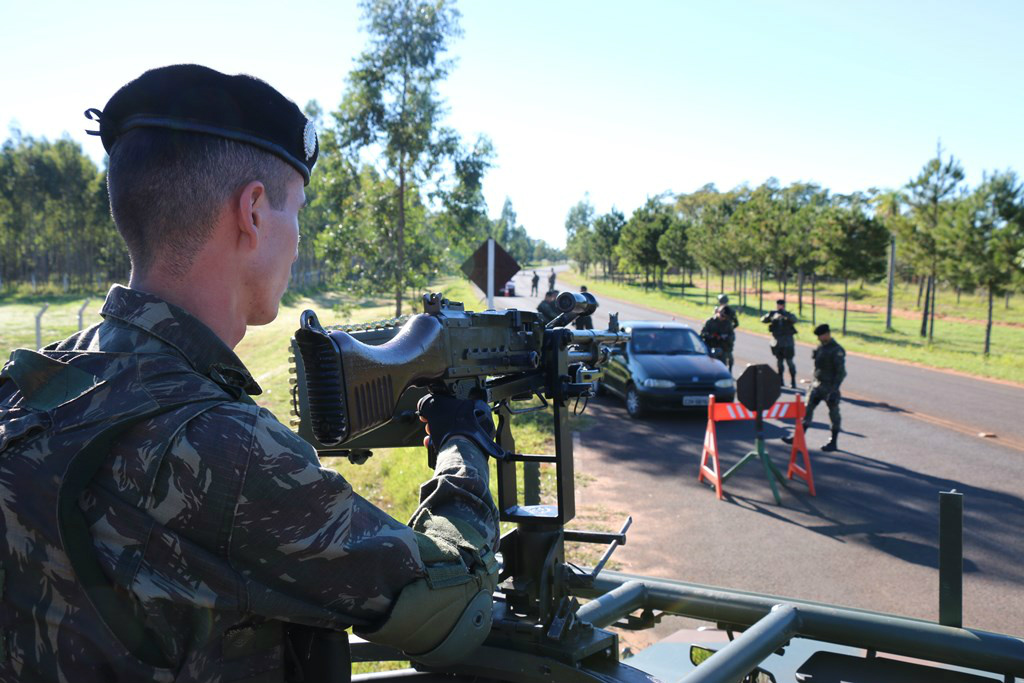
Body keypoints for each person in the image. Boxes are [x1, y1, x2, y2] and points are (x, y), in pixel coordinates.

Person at [0, 65, 500, 682]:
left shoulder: (25, 387)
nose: (298, 240)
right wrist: (464, 446)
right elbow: (453, 597)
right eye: (299, 212)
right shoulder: (229, 452)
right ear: (255, 213)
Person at [784, 323, 846, 451]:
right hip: (817, 385)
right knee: (807, 412)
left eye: (821, 336)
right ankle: (797, 438)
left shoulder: (836, 350)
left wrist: (834, 390)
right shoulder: (822, 347)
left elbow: (841, 373)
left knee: (834, 414)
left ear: (827, 334)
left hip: (829, 387)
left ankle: (833, 442)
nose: (819, 338)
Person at [761, 298, 798, 388]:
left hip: (788, 342)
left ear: (784, 306)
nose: (779, 306)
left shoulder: (788, 314)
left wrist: (785, 317)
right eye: (778, 304)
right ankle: (780, 380)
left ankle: (793, 381)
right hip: (777, 342)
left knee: (789, 362)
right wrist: (771, 316)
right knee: (779, 362)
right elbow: (762, 320)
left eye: (781, 305)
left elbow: (795, 320)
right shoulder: (773, 313)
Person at [701, 308, 736, 373]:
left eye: (725, 317)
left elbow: (732, 337)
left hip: (723, 349)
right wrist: (711, 336)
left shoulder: (728, 324)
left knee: (723, 367)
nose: (723, 318)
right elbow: (702, 334)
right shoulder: (710, 322)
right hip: (710, 348)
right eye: (722, 315)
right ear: (718, 312)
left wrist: (725, 337)